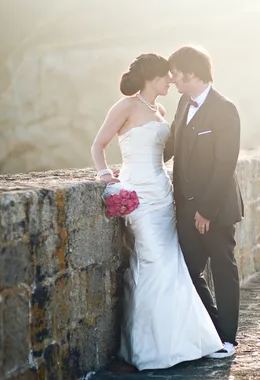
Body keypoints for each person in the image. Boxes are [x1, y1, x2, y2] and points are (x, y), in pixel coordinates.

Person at [90, 53, 222, 371]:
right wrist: (107, 176)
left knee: (171, 265)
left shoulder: (160, 110)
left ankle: (183, 340)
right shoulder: (125, 106)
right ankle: (150, 348)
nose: (171, 81)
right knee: (153, 262)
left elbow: (167, 152)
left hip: (162, 194)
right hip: (138, 196)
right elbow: (98, 144)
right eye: (167, 76)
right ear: (153, 78)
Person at [164, 46, 244, 359]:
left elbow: (225, 164)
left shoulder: (225, 109)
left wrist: (206, 211)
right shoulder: (184, 102)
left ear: (193, 73)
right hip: (185, 208)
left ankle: (227, 340)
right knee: (188, 270)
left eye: (176, 73)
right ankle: (210, 330)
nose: (173, 79)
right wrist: (136, 164)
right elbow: (171, 144)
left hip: (216, 210)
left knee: (223, 270)